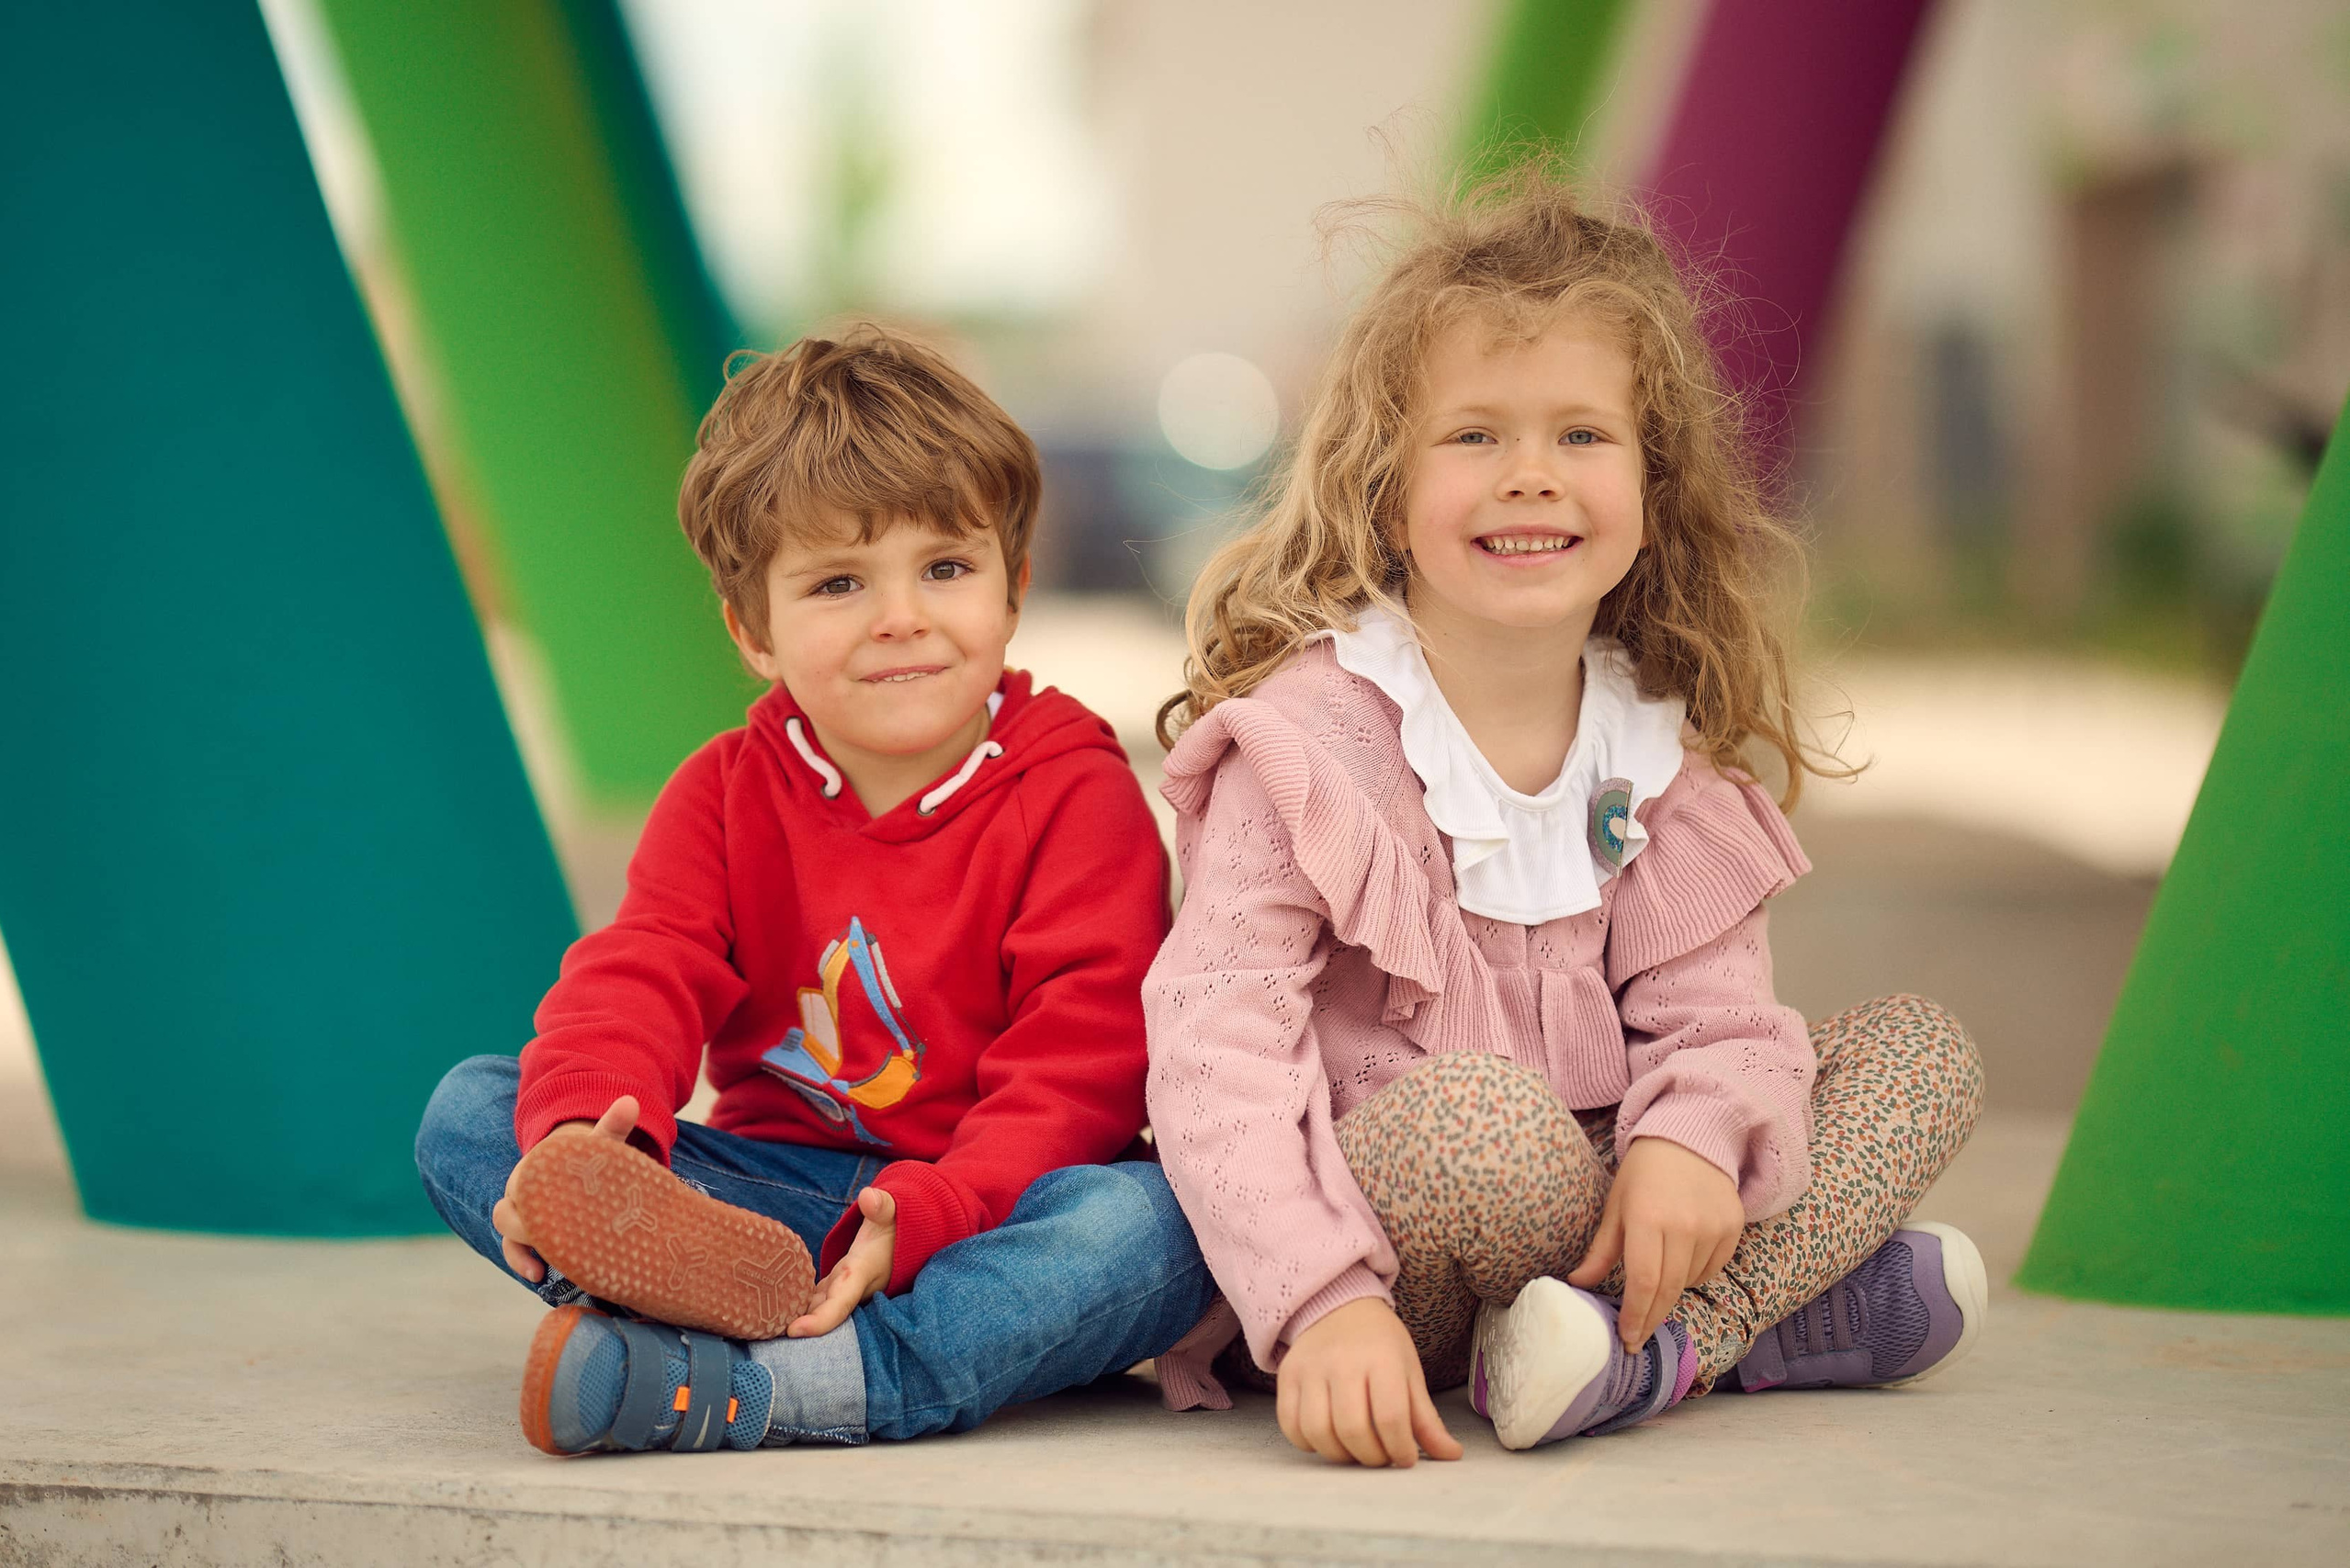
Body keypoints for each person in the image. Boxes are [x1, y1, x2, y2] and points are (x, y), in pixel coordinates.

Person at [1143, 166, 1986, 1467]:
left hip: (1601, 1203)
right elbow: (1216, 1047)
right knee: (1485, 1120)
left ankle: (1656, 1341)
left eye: (1582, 437)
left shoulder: (1652, 750)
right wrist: (1323, 1303)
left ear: (1653, 489)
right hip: (1393, 1257)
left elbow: (1719, 1017)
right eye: (1475, 436)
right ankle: (1743, 1323)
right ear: (1385, 489)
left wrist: (1697, 1141)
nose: (1531, 475)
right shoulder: (1310, 744)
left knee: (1922, 1053)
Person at [414, 325, 1213, 1455]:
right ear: (753, 630)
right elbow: (642, 971)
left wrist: (940, 1210)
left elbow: (1081, 1068)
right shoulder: (727, 794)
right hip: (778, 1208)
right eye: (839, 582)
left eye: (945, 567)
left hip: (985, 1213)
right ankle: (700, 1314)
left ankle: (795, 1385)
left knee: (1158, 1224)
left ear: (1013, 586)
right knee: (475, 1111)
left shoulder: (1073, 792)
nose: (901, 616)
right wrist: (593, 1143)